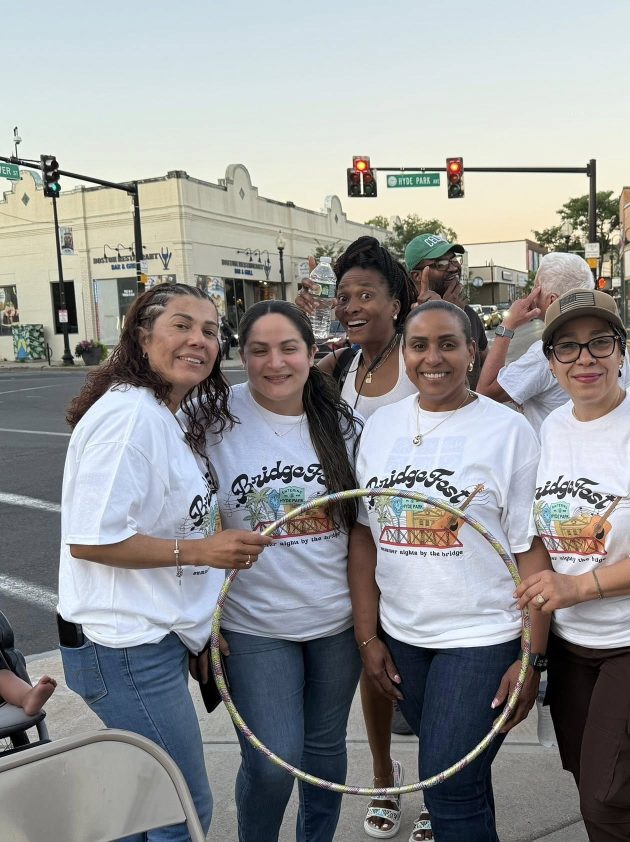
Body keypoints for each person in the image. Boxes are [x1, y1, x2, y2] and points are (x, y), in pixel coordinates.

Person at [58, 282, 273, 842]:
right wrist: (203, 551)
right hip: (125, 647)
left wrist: (197, 628)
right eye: (182, 325)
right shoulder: (128, 418)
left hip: (150, 640)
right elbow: (91, 540)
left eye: (210, 331)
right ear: (141, 335)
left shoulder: (162, 412)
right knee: (181, 809)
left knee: (142, 807)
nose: (199, 340)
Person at [353, 300, 550, 842]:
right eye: (419, 345)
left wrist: (532, 656)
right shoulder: (381, 427)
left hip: (482, 637)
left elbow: (530, 549)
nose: (432, 358)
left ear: (473, 352)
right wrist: (368, 635)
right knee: (462, 778)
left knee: (448, 787)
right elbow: (365, 534)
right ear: (404, 353)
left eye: (448, 344)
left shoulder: (508, 431)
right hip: (404, 636)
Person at [513, 290, 630, 842]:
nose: (584, 359)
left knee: (610, 802)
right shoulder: (552, 428)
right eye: (567, 348)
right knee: (596, 789)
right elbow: (539, 537)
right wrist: (534, 646)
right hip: (575, 647)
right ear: (550, 362)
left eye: (599, 343)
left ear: (621, 351)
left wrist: (580, 587)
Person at [204, 301, 364, 842]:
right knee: (272, 762)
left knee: (323, 753)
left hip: (335, 623)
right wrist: (199, 618)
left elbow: (366, 528)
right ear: (240, 356)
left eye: (289, 348)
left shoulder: (342, 422)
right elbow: (182, 513)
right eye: (259, 351)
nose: (275, 363)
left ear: (312, 352)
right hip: (254, 626)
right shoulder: (211, 419)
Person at [299, 237, 421, 839]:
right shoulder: (340, 367)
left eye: (366, 294)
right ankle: (383, 776)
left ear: (395, 303)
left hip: (423, 537)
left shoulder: (419, 359)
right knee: (374, 659)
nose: (351, 306)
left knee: (427, 667)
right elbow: (286, 387)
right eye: (344, 295)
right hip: (362, 537)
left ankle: (442, 788)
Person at [475, 252, 630, 432]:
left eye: (536, 287)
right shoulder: (611, 344)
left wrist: (507, 326)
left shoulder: (543, 355)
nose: (585, 359)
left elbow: (485, 393)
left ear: (551, 299)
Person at [404, 233, 488, 389]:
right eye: (441, 263)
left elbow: (487, 367)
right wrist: (447, 317)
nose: (454, 268)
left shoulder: (468, 313)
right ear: (417, 275)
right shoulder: (405, 320)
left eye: (454, 259)